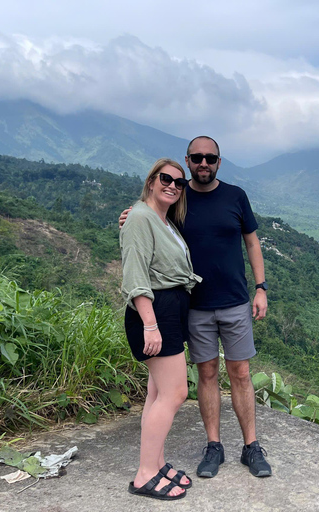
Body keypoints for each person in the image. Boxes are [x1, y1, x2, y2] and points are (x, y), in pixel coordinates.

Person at [120, 136, 271, 478]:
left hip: (235, 301)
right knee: (206, 374)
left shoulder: (236, 196)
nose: (204, 163)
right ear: (187, 161)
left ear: (219, 162)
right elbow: (149, 216)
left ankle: (251, 446)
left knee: (241, 373)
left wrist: (261, 288)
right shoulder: (178, 195)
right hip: (195, 307)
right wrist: (128, 217)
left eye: (211, 158)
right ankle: (213, 446)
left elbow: (252, 242)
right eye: (197, 158)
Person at [120, 158, 201, 500]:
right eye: (165, 178)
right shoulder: (140, 217)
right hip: (155, 313)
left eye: (179, 183)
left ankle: (156, 463)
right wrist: (150, 325)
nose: (172, 185)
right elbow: (136, 276)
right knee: (175, 393)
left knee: (156, 394)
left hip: (169, 311)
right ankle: (145, 475)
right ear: (151, 181)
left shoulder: (163, 220)